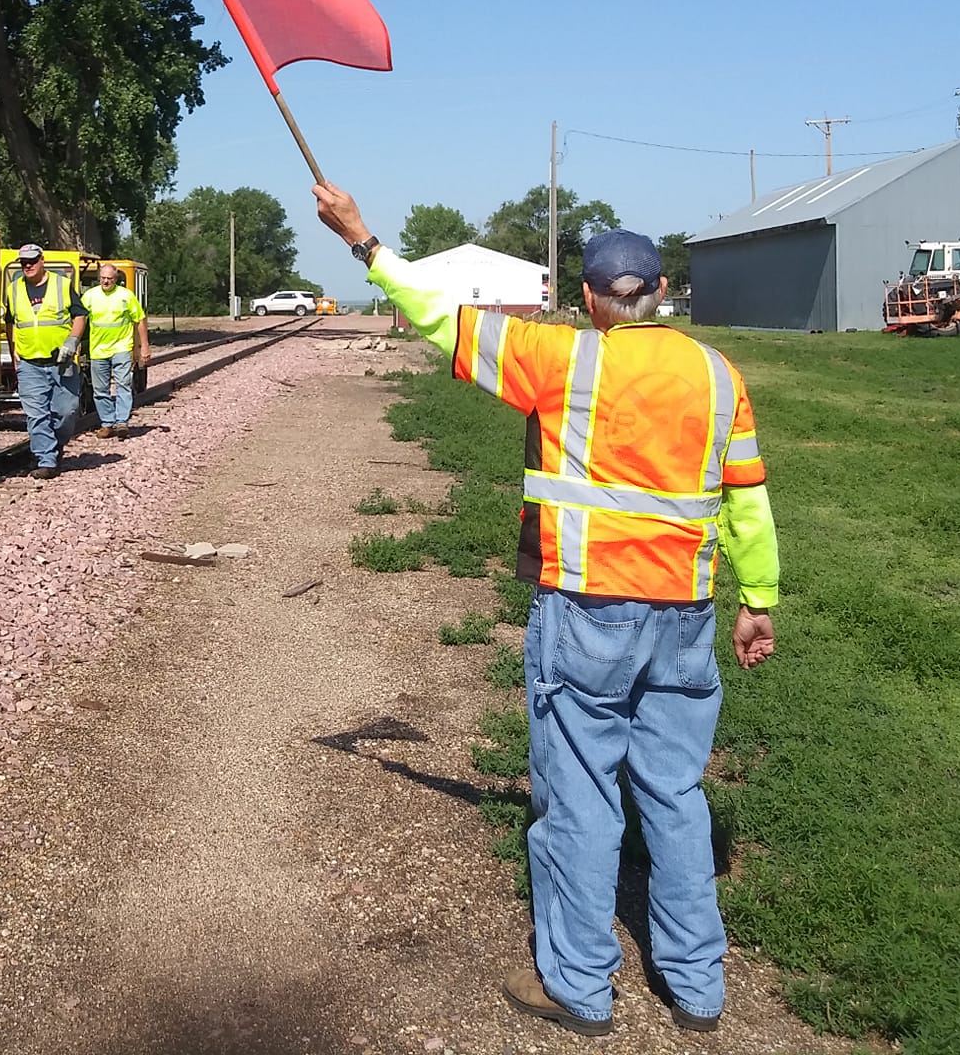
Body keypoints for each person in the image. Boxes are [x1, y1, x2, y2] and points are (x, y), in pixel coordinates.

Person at [314, 181, 779, 1039]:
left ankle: (580, 988)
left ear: (592, 300)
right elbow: (746, 501)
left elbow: (438, 316)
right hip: (686, 615)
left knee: (579, 799)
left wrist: (363, 241)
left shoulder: (563, 358)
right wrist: (759, 601)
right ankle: (698, 991)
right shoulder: (719, 376)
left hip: (587, 610)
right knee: (674, 796)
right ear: (664, 293)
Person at [4, 244, 86, 478]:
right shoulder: (13, 289)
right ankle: (46, 459)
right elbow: (10, 321)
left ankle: (55, 446)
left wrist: (72, 341)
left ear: (42, 261)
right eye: (23, 262)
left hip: (62, 362)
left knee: (66, 412)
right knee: (36, 414)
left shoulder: (62, 285)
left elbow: (80, 315)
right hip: (30, 363)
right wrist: (14, 352)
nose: (27, 266)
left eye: (32, 261)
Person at [81, 263, 149, 436]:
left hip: (121, 347)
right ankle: (107, 423)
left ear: (115, 279)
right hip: (98, 350)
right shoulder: (90, 296)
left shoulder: (126, 296)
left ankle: (121, 422)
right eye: (103, 278)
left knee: (123, 385)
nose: (106, 282)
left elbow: (139, 319)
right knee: (100, 389)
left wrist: (144, 346)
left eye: (109, 279)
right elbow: (79, 319)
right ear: (99, 278)